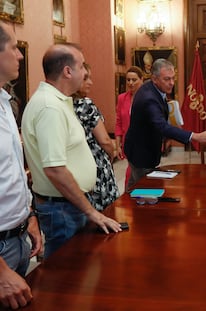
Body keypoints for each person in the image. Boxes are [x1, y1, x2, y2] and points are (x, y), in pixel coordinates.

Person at [21, 43, 122, 259]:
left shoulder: (59, 102)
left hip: (67, 204)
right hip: (63, 209)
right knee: (67, 275)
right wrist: (91, 211)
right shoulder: (50, 107)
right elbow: (55, 169)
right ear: (68, 71)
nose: (85, 72)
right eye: (82, 66)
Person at [124, 58, 206, 190]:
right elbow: (161, 126)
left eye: (173, 78)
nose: (172, 83)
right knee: (143, 192)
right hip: (141, 154)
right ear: (155, 78)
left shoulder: (152, 88)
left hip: (142, 149)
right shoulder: (149, 98)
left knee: (134, 187)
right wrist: (195, 136)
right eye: (167, 79)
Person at [0, 21, 42, 309]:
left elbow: (12, 169)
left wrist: (29, 216)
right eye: (14, 47)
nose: (21, 55)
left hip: (17, 237)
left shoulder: (5, 101)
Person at [73, 63, 120, 211]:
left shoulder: (63, 104)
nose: (90, 83)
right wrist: (111, 153)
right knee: (106, 211)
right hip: (95, 163)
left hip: (77, 163)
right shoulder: (85, 105)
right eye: (85, 78)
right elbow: (105, 140)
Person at [115, 66, 144, 190]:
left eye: (134, 80)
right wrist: (118, 144)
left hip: (144, 143)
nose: (130, 83)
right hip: (129, 143)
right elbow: (119, 122)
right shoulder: (122, 98)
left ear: (142, 80)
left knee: (137, 174)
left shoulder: (147, 97)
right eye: (128, 80)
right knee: (131, 173)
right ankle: (130, 199)